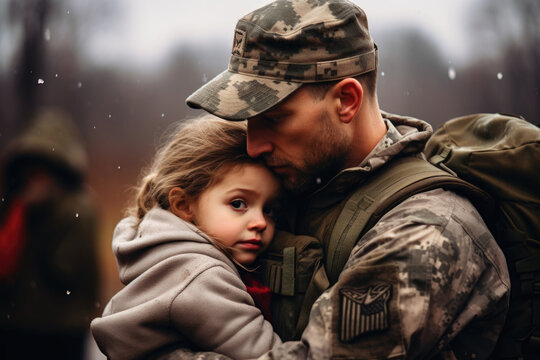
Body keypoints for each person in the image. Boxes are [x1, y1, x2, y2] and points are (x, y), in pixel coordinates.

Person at [182, 0, 511, 359]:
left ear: (346, 101)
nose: (254, 145)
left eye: (274, 119)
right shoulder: (296, 184)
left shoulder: (427, 230)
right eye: (248, 121)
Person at [90, 116, 284, 359]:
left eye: (269, 209)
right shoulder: (202, 276)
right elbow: (267, 353)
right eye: (238, 203)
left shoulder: (165, 251)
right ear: (184, 205)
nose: (260, 222)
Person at [0, 108, 100, 360]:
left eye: (42, 169)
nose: (34, 178)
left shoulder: (79, 208)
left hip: (61, 329)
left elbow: (64, 270)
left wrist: (42, 214)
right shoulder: (14, 205)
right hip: (15, 324)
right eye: (30, 169)